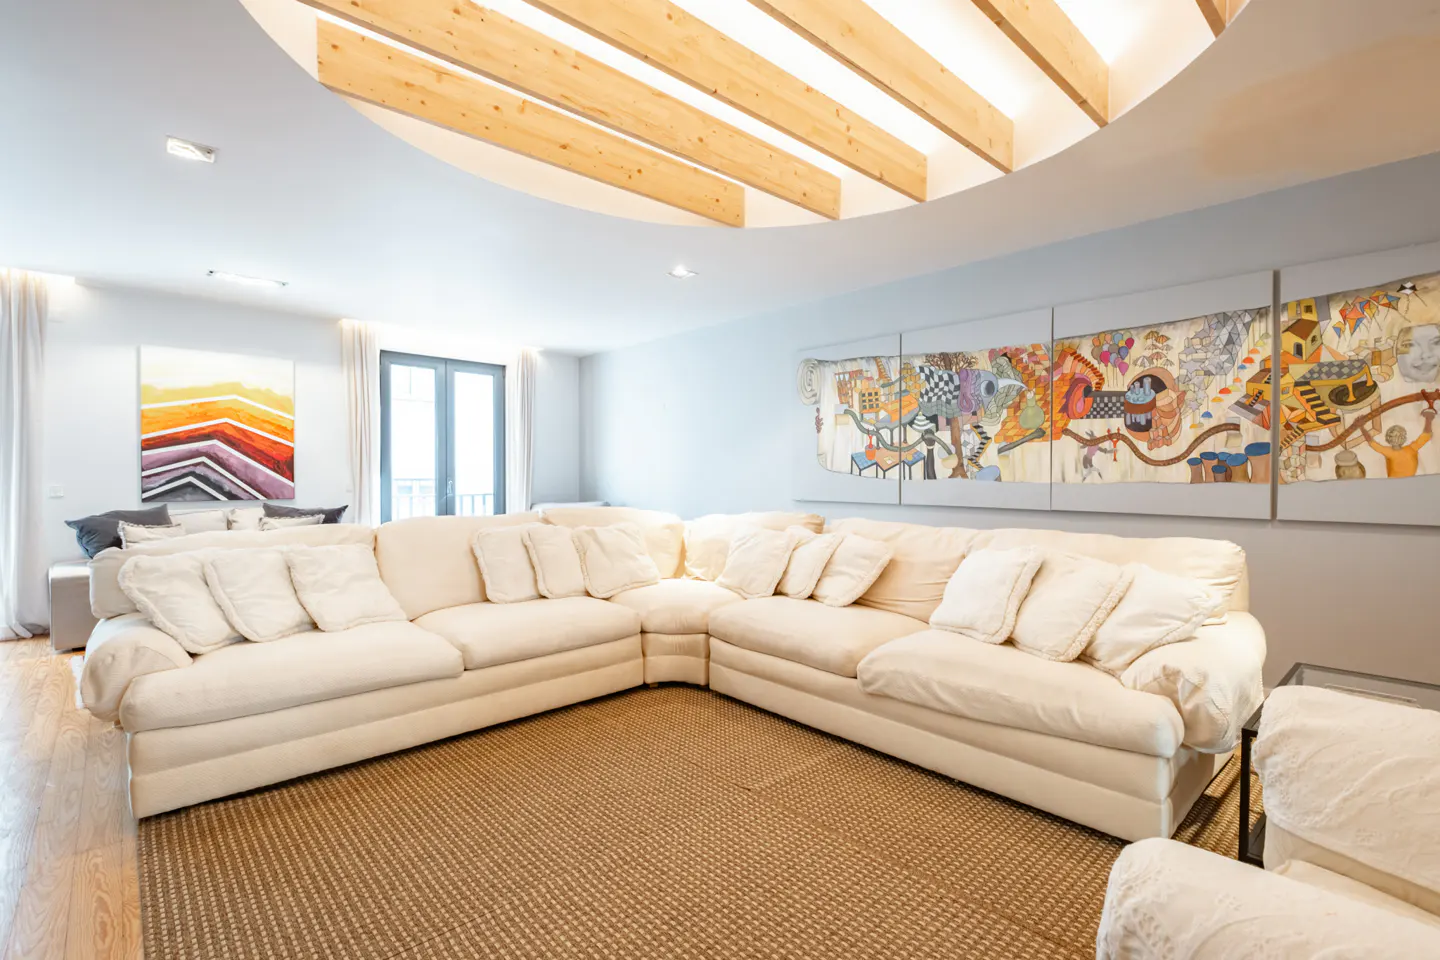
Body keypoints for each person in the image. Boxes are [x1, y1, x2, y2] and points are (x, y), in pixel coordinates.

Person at [1361, 407, 1436, 478]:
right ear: (1403, 438)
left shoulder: (1389, 452)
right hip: (1409, 481)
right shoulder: (1412, 448)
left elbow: (1372, 442)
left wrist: (1361, 427)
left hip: (1394, 483)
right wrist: (1428, 419)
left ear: (1388, 439)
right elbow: (1426, 435)